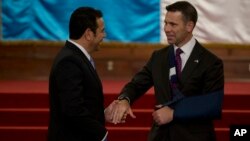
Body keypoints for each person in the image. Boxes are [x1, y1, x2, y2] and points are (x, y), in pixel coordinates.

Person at [108, 1, 224, 141]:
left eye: (173, 24)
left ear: (189, 26)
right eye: (165, 23)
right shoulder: (158, 57)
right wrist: (124, 99)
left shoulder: (211, 62)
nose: (166, 29)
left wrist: (174, 113)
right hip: (161, 136)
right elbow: (137, 84)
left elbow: (212, 105)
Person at [48, 7, 116, 141]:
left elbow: (82, 103)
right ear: (89, 34)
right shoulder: (69, 61)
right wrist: (102, 134)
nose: (105, 35)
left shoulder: (77, 57)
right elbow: (73, 110)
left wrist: (102, 115)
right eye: (102, 31)